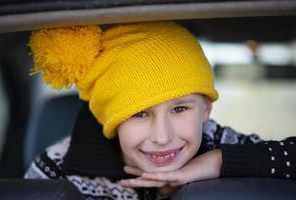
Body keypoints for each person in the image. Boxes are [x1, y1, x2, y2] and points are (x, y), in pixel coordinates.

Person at [24, 21, 296, 200]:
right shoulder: (59, 167)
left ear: (205, 111)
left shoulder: (218, 142)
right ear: (112, 119)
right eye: (139, 113)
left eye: (179, 109)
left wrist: (219, 162)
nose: (163, 136)